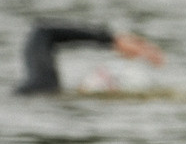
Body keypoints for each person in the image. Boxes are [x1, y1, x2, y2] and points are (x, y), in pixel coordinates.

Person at [17, 21, 165, 95]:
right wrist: (112, 40)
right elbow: (44, 31)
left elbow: (43, 32)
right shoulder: (43, 87)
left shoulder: (41, 87)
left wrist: (113, 40)